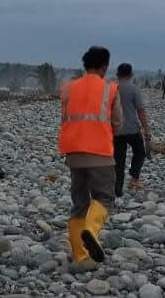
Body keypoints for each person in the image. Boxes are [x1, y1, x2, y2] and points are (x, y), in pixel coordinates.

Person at [59, 45, 122, 265]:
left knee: (79, 202)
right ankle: (91, 230)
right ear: (104, 66)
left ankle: (80, 257)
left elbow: (65, 118)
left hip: (74, 152)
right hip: (100, 152)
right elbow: (117, 123)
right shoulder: (110, 89)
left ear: (85, 65)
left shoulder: (68, 88)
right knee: (104, 196)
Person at [111, 63, 152, 197]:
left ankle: (117, 189)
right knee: (140, 152)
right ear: (130, 74)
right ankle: (134, 179)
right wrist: (146, 129)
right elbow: (140, 110)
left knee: (119, 160)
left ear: (118, 74)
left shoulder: (112, 88)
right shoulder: (134, 89)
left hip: (116, 130)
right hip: (133, 129)